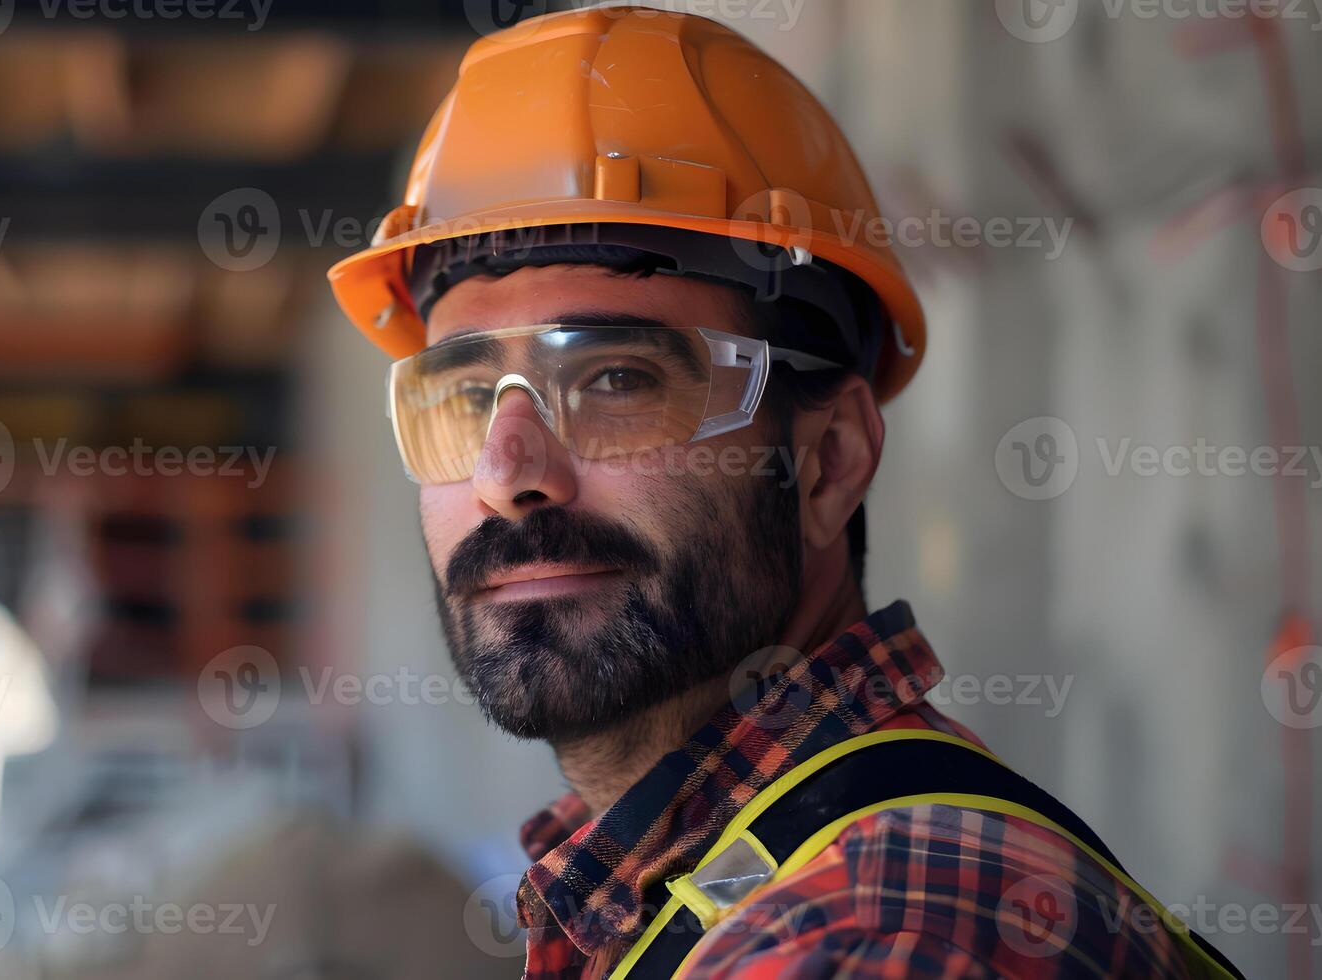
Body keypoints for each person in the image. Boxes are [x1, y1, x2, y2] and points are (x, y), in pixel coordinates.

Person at [327, 7, 1241, 979]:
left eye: (617, 380)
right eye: (465, 399)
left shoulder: (876, 934)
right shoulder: (675, 883)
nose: (507, 473)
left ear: (829, 459)